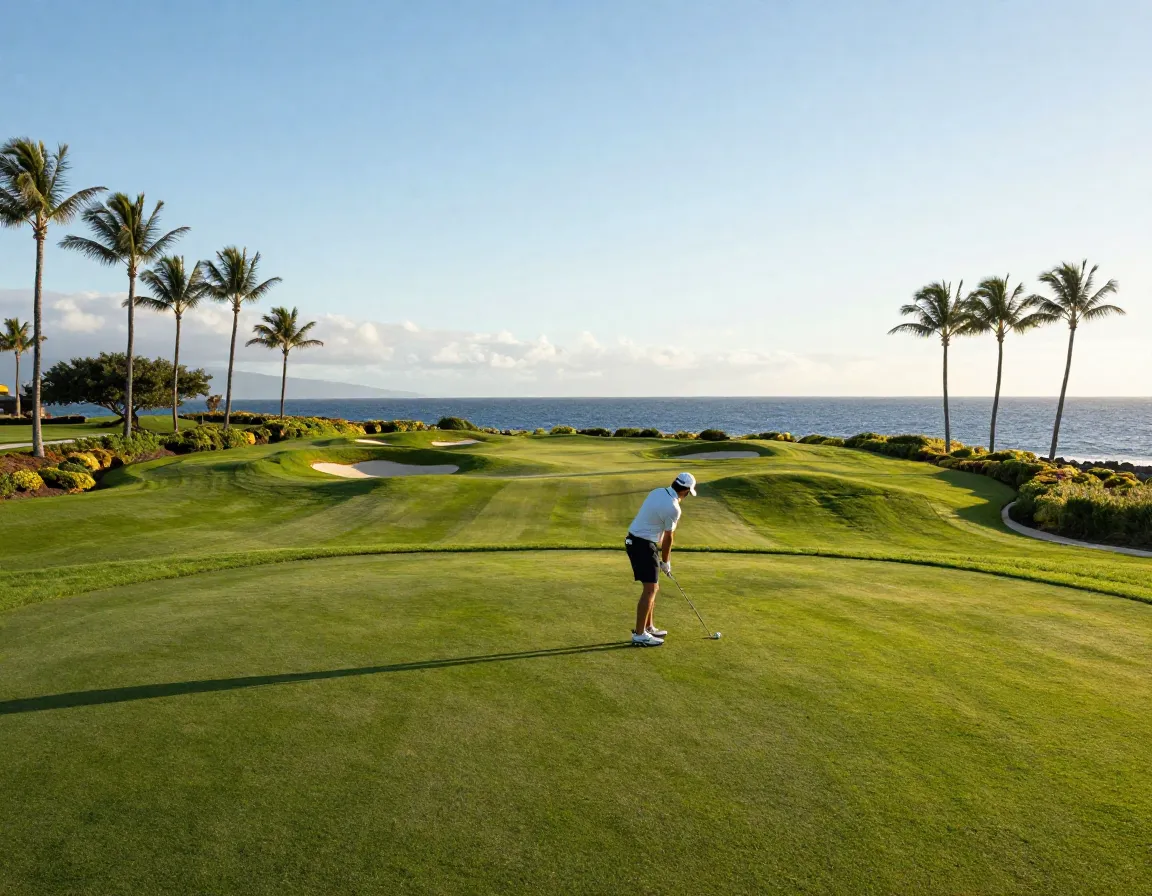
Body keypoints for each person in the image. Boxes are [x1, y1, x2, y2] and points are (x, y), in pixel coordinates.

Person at [625, 472, 697, 646]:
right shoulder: (673, 508)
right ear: (685, 490)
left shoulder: (657, 491)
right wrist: (666, 562)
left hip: (635, 541)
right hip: (643, 545)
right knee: (650, 589)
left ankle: (648, 627)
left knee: (653, 587)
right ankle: (640, 634)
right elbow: (668, 538)